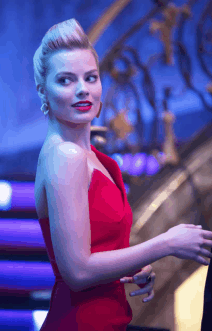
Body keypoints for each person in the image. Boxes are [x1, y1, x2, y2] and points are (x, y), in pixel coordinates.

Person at [33, 18, 212, 331]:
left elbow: (99, 253)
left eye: (90, 78)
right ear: (43, 92)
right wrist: (166, 243)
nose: (82, 90)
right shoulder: (65, 156)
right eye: (65, 80)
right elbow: (77, 272)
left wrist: (131, 265)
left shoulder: (99, 159)